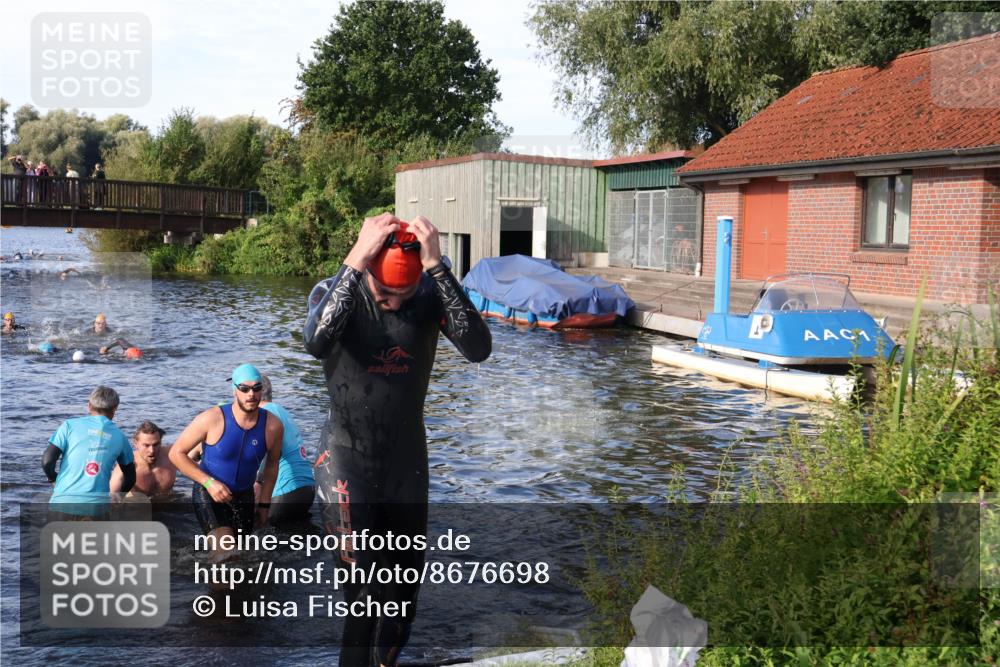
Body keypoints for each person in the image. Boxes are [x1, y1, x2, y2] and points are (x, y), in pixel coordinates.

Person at [303, 213, 491, 666]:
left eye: (401, 295)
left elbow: (478, 348)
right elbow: (315, 341)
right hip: (345, 462)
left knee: (402, 599)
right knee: (363, 593)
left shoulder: (430, 295)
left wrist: (438, 267)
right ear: (366, 269)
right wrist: (354, 260)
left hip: (405, 464)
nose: (391, 303)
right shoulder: (336, 291)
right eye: (383, 293)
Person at [169, 364, 283, 562]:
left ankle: (236, 592)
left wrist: (264, 505)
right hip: (210, 493)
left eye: (257, 388)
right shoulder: (212, 418)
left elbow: (272, 466)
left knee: (245, 557)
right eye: (244, 389)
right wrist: (208, 483)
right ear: (234, 390)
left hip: (244, 495)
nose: (251, 394)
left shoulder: (273, 425)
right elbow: (176, 454)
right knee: (226, 554)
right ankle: (219, 592)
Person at [42, 385, 136, 517]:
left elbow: (47, 461)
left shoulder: (69, 426)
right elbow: (130, 476)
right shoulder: (120, 437)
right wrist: (119, 496)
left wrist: (53, 479)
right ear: (115, 408)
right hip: (97, 509)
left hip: (61, 504)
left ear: (89, 405)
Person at [253, 374, 315, 526]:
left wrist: (258, 483)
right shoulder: (281, 411)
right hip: (307, 489)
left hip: (285, 492)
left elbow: (270, 452)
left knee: (259, 540)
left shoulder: (265, 413)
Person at [111, 421, 176, 497]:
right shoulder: (127, 464)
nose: (152, 450)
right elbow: (112, 494)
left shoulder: (171, 456)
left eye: (156, 444)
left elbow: (192, 448)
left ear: (160, 442)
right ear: (136, 443)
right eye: (146, 445)